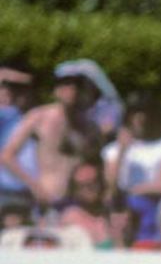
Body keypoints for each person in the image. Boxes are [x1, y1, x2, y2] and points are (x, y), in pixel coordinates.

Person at [0, 61, 103, 213]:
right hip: (45, 197)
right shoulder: (40, 117)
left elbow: (93, 163)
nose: (71, 91)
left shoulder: (89, 126)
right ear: (56, 90)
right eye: (66, 86)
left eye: (76, 87)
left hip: (76, 202)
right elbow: (7, 156)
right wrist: (34, 186)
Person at [102, 92, 161, 245]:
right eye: (136, 113)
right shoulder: (112, 151)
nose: (141, 118)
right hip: (121, 208)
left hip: (151, 206)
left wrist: (132, 191)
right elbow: (110, 185)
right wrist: (122, 151)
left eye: (145, 113)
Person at [0, 63, 37, 212]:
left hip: (30, 197)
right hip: (6, 195)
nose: (10, 91)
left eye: (19, 87)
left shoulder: (33, 117)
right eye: (5, 85)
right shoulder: (5, 116)